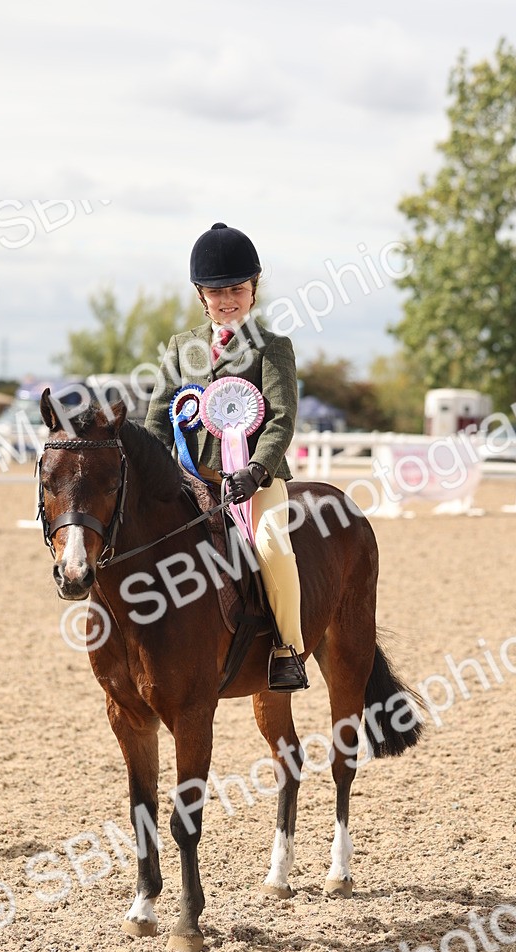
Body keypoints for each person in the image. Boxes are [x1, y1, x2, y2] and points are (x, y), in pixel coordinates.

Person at [144, 221, 308, 692]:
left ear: (253, 290)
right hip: (193, 481)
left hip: (255, 480)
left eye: (236, 289)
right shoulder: (182, 349)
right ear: (201, 296)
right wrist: (154, 473)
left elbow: (281, 417)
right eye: (216, 292)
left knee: (275, 545)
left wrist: (256, 471)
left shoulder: (272, 349)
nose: (227, 300)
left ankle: (286, 650)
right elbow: (158, 418)